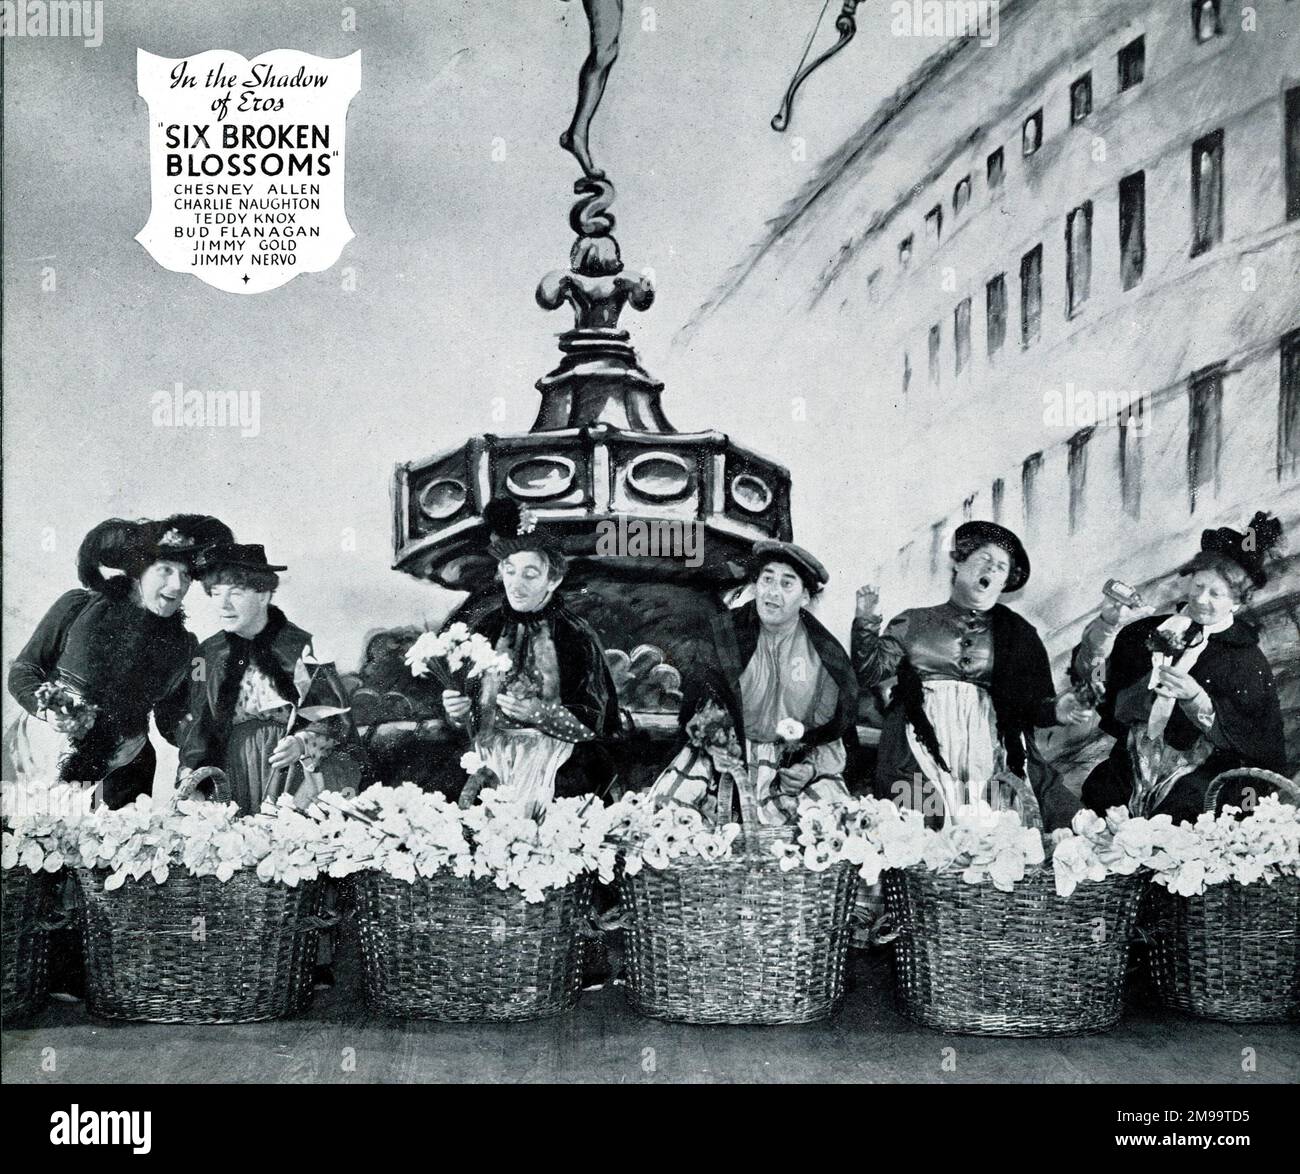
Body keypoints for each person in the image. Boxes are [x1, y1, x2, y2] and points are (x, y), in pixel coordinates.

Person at [852, 521, 1089, 828]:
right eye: (985, 559)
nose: (992, 569)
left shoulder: (1020, 635)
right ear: (959, 563)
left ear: (1005, 583)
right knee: (920, 824)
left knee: (1000, 828)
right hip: (921, 744)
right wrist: (866, 623)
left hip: (989, 746)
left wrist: (1058, 709)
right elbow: (869, 671)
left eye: (1001, 567)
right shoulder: (913, 621)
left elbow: (1034, 706)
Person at [5, 514, 231, 809]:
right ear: (139, 570)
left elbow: (173, 718)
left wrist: (206, 744)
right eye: (165, 570)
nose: (177, 586)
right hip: (37, 752)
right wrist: (49, 712)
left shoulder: (184, 646)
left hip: (122, 768)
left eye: (186, 575)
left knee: (99, 849)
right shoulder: (78, 607)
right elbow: (25, 670)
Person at [1075, 512, 1287, 823]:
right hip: (1134, 763)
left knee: (1183, 815)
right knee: (1102, 800)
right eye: (1198, 585)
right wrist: (1107, 629)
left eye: (1216, 594)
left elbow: (1258, 742)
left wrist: (1196, 700)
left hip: (1201, 776)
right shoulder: (1146, 632)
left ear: (1238, 602)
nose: (1201, 599)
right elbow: (1094, 679)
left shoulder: (1245, 660)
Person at [650, 539, 858, 825]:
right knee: (667, 816)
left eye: (787, 584)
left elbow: (830, 733)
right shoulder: (726, 634)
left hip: (790, 764)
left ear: (805, 597)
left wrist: (809, 769)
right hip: (723, 759)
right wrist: (713, 743)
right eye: (767, 579)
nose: (773, 592)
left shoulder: (824, 655)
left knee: (832, 824)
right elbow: (702, 702)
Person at [440, 499, 620, 804]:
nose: (516, 584)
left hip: (558, 766)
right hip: (492, 762)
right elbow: (474, 705)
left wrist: (540, 714)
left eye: (530, 574)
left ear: (554, 579)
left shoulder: (575, 635)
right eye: (510, 571)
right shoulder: (486, 628)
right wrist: (456, 711)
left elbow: (596, 724)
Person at [178, 543, 373, 815]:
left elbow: (335, 719)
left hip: (291, 771)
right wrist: (192, 776)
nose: (223, 603)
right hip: (233, 770)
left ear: (263, 594)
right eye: (216, 592)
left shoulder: (301, 646)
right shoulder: (206, 655)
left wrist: (303, 742)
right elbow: (198, 723)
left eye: (236, 592)